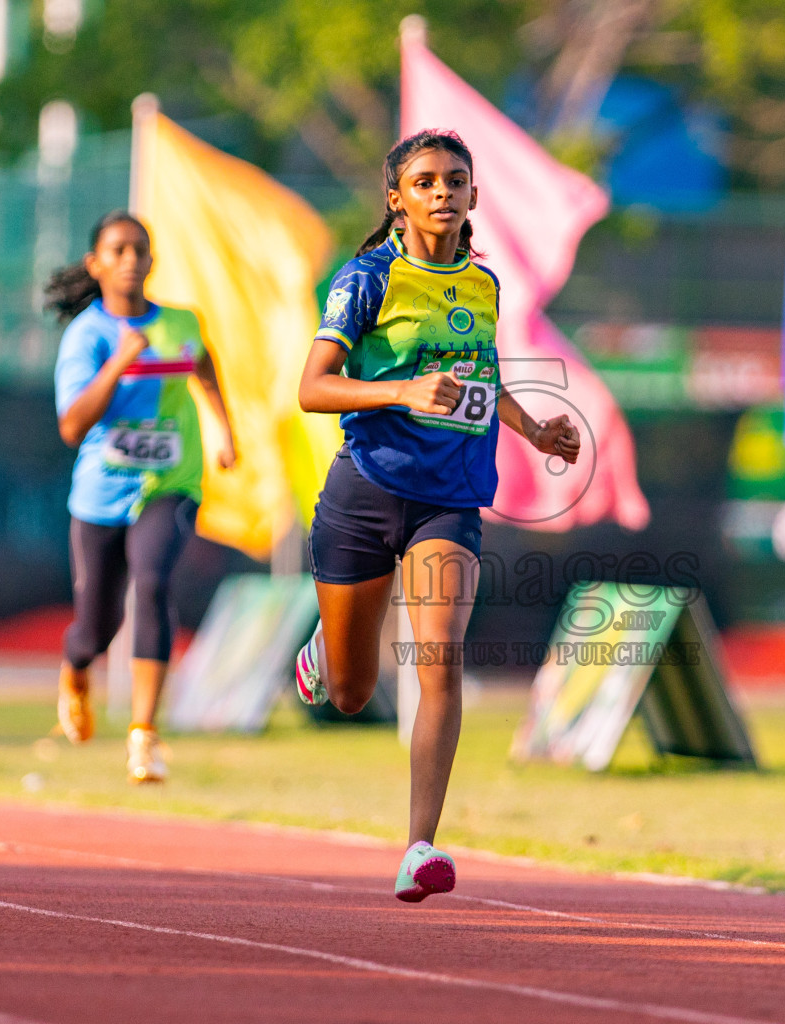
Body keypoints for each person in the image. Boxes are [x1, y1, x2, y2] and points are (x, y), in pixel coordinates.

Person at [297, 129, 580, 903]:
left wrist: (533, 429)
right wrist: (401, 391)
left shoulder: (484, 286)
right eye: (424, 182)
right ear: (397, 198)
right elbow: (313, 388)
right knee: (353, 694)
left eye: (455, 180)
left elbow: (481, 380)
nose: (442, 193)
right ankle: (328, 647)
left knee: (439, 660)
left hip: (449, 502)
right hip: (364, 492)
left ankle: (420, 847)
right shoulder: (366, 279)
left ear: (474, 196)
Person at [45, 211, 237, 783]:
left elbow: (203, 362)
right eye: (119, 250)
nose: (131, 260)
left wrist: (224, 428)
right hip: (102, 492)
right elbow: (71, 427)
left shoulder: (180, 321)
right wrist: (119, 365)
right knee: (95, 626)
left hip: (172, 482)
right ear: (96, 263)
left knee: (153, 583)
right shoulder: (86, 335)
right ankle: (76, 668)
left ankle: (143, 738)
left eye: (141, 250)